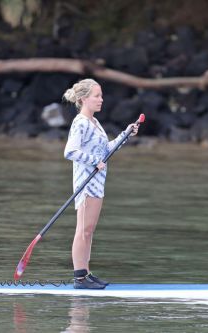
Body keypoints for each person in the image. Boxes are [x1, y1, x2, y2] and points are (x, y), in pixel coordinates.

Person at [63, 78, 139, 289]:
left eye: (101, 95)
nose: (101, 99)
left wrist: (125, 135)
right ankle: (79, 278)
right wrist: (93, 162)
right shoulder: (80, 122)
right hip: (85, 183)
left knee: (89, 231)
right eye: (97, 96)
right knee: (83, 230)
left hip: (98, 182)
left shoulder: (94, 123)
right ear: (84, 99)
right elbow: (70, 151)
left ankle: (86, 273)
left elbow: (105, 151)